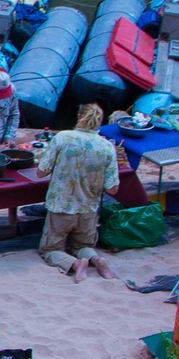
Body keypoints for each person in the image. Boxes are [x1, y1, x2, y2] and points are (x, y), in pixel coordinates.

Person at [35, 103, 120, 282]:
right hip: (88, 208)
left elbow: (41, 171)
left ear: (79, 117)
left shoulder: (63, 138)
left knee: (51, 249)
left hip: (62, 206)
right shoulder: (106, 147)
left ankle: (75, 265)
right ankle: (96, 259)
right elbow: (113, 188)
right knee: (82, 245)